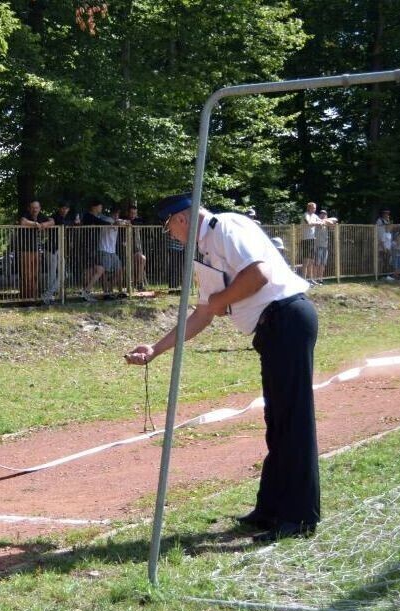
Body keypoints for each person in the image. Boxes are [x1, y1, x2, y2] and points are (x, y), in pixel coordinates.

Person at [126, 193, 319, 543]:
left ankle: (299, 517)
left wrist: (220, 300)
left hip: (287, 319)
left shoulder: (226, 227)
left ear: (182, 219)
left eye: (169, 227)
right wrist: (156, 349)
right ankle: (271, 508)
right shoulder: (205, 248)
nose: (171, 235)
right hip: (272, 329)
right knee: (277, 421)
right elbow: (203, 314)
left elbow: (258, 274)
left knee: (293, 421)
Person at [16, 200, 52, 300]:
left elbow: (52, 221)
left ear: (39, 208)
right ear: (29, 208)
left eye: (36, 208)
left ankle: (34, 298)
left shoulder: (41, 216)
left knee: (35, 275)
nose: (34, 210)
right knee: (27, 276)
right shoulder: (26, 215)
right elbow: (23, 222)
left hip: (37, 250)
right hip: (26, 250)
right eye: (32, 208)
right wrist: (36, 224)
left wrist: (44, 225)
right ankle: (26, 299)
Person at [42, 203, 71, 305]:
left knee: (64, 274)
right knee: (52, 274)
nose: (64, 210)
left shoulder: (64, 218)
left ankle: (47, 295)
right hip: (51, 249)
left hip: (58, 248)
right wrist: (73, 222)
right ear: (59, 208)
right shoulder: (55, 217)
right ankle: (48, 297)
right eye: (63, 208)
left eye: (66, 208)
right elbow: (62, 223)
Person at [313, 209, 337, 285]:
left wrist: (325, 220)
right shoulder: (317, 221)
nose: (323, 215)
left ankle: (320, 279)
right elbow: (319, 222)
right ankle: (315, 279)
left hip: (325, 246)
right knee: (317, 263)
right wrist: (323, 220)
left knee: (323, 264)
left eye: (324, 214)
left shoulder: (326, 222)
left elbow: (335, 220)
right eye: (321, 214)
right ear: (319, 215)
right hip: (317, 245)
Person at [300, 202, 322, 283]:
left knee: (311, 261)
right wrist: (318, 223)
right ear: (309, 208)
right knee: (306, 261)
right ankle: (303, 280)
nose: (315, 209)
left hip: (312, 239)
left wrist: (324, 222)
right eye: (313, 208)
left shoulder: (315, 216)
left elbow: (322, 222)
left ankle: (311, 279)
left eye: (315, 208)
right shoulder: (305, 215)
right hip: (306, 239)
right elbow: (309, 223)